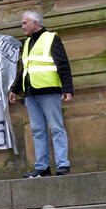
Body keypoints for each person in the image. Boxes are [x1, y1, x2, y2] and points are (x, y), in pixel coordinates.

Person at [9, 10, 73, 178]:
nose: (22, 26)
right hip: (30, 94)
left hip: (49, 91)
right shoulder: (28, 42)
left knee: (57, 128)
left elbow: (63, 64)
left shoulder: (52, 38)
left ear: (35, 23)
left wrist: (67, 89)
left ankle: (63, 165)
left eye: (25, 23)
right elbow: (24, 70)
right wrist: (15, 89)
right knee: (38, 131)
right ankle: (42, 167)